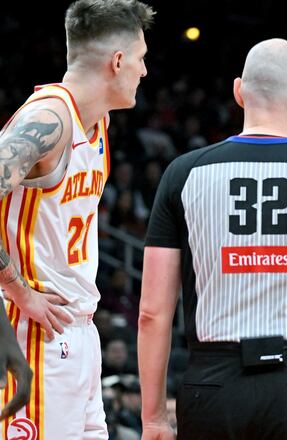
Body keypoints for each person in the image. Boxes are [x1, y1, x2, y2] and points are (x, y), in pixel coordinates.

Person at [138, 38, 287, 440]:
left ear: (239, 91)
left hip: (213, 384)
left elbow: (152, 313)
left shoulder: (183, 174)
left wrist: (153, 419)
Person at [0, 0, 154, 437]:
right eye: (141, 59)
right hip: (34, 330)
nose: (144, 71)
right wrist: (17, 289)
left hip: (79, 333)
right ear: (118, 61)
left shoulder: (98, 122)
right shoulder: (47, 119)